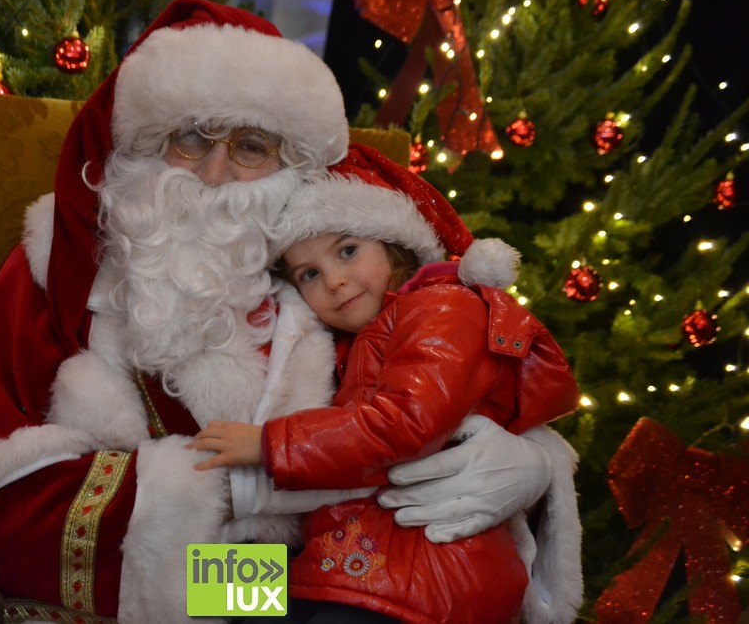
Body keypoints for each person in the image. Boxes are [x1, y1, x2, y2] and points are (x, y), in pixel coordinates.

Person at [0, 0, 574, 623]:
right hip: (206, 585)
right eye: (191, 138)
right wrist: (231, 513)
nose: (213, 174)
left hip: (335, 581)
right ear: (146, 144)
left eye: (250, 147)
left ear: (289, 166)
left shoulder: (325, 274)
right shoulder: (61, 263)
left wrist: (532, 462)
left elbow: (436, 380)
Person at [191, 144, 584, 624]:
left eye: (348, 251)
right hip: (334, 564)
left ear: (394, 244)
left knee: (208, 594)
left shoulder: (437, 307)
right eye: (310, 274)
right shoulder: (349, 335)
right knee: (196, 594)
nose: (335, 281)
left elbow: (405, 422)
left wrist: (268, 445)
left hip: (405, 578)